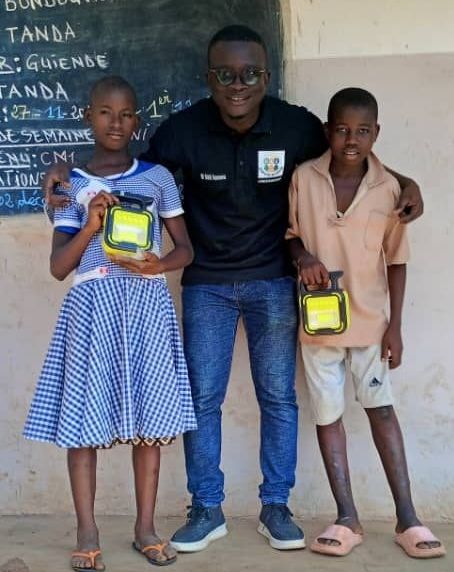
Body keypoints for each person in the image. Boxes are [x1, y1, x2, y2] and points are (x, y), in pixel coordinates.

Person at [42, 26, 424, 553]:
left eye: (249, 75)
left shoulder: (294, 124)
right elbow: (121, 163)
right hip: (207, 285)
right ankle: (206, 508)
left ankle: (276, 506)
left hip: (274, 280)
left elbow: (351, 153)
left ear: (266, 78)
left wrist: (406, 181)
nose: (238, 85)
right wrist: (62, 168)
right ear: (209, 78)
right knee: (203, 399)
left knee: (279, 398)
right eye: (225, 74)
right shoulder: (183, 130)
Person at [23, 75, 197, 570]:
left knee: (151, 422)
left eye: (125, 115)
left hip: (146, 304)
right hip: (92, 308)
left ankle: (145, 528)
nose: (115, 123)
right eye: (105, 112)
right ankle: (88, 530)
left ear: (137, 121)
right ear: (88, 116)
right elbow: (59, 267)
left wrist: (158, 265)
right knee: (83, 420)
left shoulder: (157, 179)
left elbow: (186, 248)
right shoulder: (71, 185)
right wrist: (92, 226)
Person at [286, 87, 446, 559]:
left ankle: (408, 518)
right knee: (327, 415)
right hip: (319, 325)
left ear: (376, 134)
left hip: (371, 325)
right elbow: (290, 236)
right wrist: (303, 257)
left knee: (381, 411)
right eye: (341, 130)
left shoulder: (390, 189)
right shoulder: (304, 179)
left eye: (361, 131)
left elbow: (396, 261)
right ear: (326, 132)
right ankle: (346, 518)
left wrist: (395, 327)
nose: (351, 140)